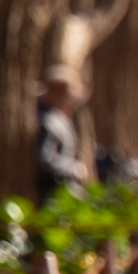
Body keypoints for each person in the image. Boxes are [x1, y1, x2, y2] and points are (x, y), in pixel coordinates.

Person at [33, 67, 87, 201]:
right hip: (54, 193)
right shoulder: (49, 122)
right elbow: (45, 159)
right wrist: (74, 168)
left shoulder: (58, 118)